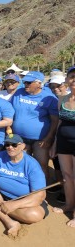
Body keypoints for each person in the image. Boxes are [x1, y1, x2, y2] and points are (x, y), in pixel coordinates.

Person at [0, 134, 48, 237]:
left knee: (35, 215)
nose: (10, 147)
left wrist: (14, 205)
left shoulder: (32, 164)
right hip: (2, 194)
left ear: (22, 146)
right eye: (7, 144)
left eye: (14, 145)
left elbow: (39, 196)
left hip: (24, 200)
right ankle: (9, 221)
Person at [10, 71, 59, 180]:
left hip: (40, 140)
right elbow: (9, 111)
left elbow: (55, 120)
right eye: (25, 82)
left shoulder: (49, 98)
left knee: (41, 165)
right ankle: (25, 189)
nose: (25, 85)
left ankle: (42, 191)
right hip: (20, 138)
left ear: (38, 84)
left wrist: (48, 138)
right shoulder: (18, 93)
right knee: (21, 164)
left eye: (29, 82)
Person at [51, 65, 75, 227]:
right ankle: (69, 204)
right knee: (66, 176)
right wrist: (54, 143)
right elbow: (59, 122)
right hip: (63, 142)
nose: (74, 81)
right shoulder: (63, 99)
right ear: (66, 80)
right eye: (72, 77)